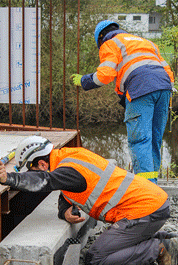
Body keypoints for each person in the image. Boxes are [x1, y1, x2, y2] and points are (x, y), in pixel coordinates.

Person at [0, 136, 178, 265]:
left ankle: (158, 248)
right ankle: (167, 238)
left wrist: (9, 178)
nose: (35, 173)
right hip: (154, 203)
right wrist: (65, 211)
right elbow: (65, 188)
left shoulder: (67, 171)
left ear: (41, 164)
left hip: (143, 212)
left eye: (32, 170)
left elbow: (45, 181)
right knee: (114, 243)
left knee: (96, 257)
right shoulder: (71, 156)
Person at [72, 20, 172, 183]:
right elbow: (168, 70)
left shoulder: (110, 43)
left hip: (140, 89)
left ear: (101, 37)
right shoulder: (146, 42)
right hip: (164, 88)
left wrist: (84, 81)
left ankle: (146, 186)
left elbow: (105, 75)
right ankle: (153, 183)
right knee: (154, 139)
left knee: (140, 140)